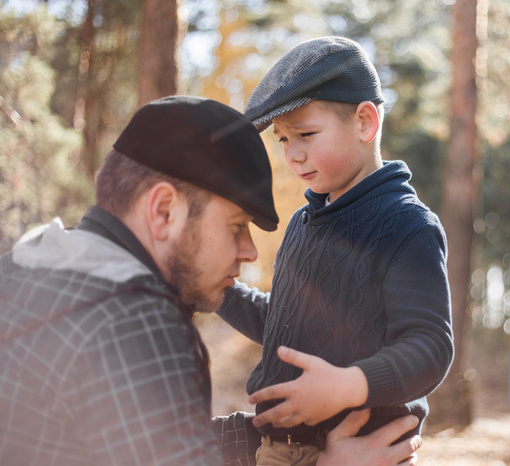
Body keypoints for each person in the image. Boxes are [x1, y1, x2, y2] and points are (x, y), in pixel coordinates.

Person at [0, 95, 421, 466]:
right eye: (236, 225)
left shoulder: (31, 271)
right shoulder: (138, 328)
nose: (250, 251)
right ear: (164, 211)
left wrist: (270, 436)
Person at [217, 36, 454, 465]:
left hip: (362, 447)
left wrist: (349, 385)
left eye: (306, 134)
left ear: (365, 123)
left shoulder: (406, 225)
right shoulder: (302, 224)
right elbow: (286, 324)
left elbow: (430, 345)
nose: (294, 154)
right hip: (279, 449)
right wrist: (217, 290)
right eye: (284, 140)